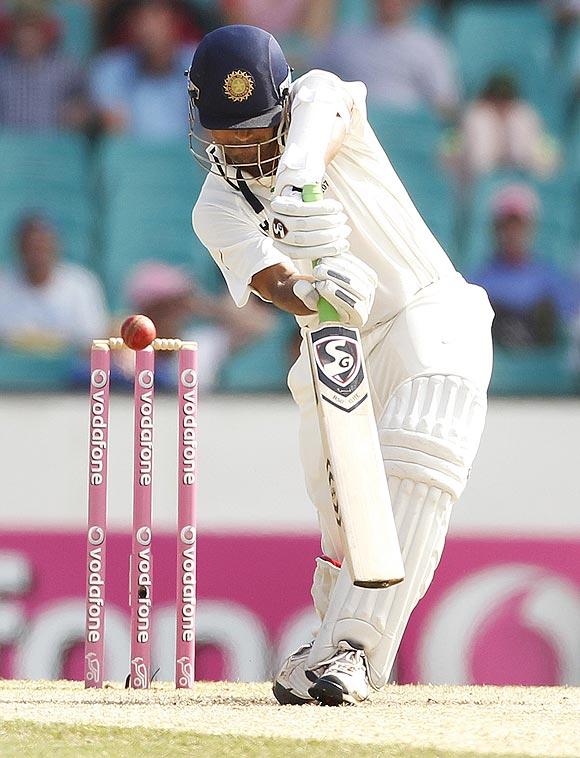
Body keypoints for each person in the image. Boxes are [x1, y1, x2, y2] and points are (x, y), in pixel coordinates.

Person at [188, 25, 493, 705]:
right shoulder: (215, 204)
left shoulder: (322, 99)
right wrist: (308, 290)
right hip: (334, 346)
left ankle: (350, 654)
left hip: (427, 310)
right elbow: (266, 279)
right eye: (227, 133)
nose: (243, 146)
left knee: (421, 452)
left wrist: (298, 188)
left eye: (255, 130)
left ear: (283, 103)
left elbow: (317, 125)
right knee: (344, 522)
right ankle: (327, 644)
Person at [114, 261, 275, 391]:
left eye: (179, 304)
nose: (175, 313)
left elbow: (263, 324)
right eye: (165, 307)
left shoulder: (202, 343)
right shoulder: (120, 338)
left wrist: (208, 308)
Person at [471, 184, 577, 349]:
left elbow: (571, 319)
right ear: (495, 229)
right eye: (506, 226)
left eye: (519, 226)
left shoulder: (551, 279)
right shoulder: (478, 282)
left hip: (544, 370)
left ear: (531, 229)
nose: (513, 233)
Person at [314, 0, 460, 117]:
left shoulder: (429, 46)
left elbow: (446, 104)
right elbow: (314, 78)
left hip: (408, 133)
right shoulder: (345, 39)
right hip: (354, 127)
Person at [0, 214, 108, 348]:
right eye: (31, 245)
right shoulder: (3, 284)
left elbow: (94, 341)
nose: (37, 253)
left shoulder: (81, 285)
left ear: (56, 246)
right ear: (19, 247)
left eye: (43, 245)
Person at [90, 0, 194, 138]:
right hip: (132, 157)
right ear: (131, 24)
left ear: (175, 21)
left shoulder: (200, 62)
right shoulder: (108, 70)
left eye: (156, 15)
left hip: (190, 156)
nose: (149, 27)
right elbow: (116, 135)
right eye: (141, 18)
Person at [451, 72, 559, 184]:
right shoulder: (474, 117)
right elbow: (449, 149)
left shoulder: (525, 117)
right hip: (478, 183)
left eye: (505, 99)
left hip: (521, 182)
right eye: (496, 99)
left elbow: (549, 155)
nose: (501, 104)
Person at [0, 6, 90, 131]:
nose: (26, 36)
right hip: (8, 146)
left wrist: (79, 112)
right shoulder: (3, 68)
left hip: (54, 145)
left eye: (33, 30)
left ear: (45, 34)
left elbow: (85, 104)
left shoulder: (66, 69)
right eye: (21, 29)